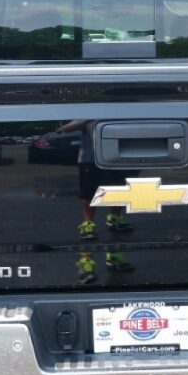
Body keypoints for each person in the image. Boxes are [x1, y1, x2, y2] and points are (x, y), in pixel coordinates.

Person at [55, 120, 134, 283]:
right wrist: (90, 116)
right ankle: (86, 257)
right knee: (88, 198)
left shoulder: (121, 110)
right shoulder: (88, 109)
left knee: (116, 197)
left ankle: (114, 256)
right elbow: (61, 129)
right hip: (89, 160)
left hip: (116, 158)